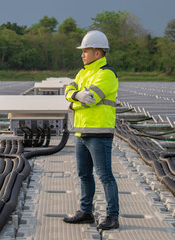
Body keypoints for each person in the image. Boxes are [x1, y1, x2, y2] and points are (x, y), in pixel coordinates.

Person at [63, 30, 119, 230]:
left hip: (99, 134)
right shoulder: (82, 73)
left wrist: (73, 103)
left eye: (85, 51)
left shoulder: (107, 75)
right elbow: (68, 91)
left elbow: (90, 100)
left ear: (98, 53)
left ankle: (112, 216)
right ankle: (86, 211)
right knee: (84, 174)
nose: (82, 55)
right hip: (82, 133)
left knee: (105, 176)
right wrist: (77, 96)